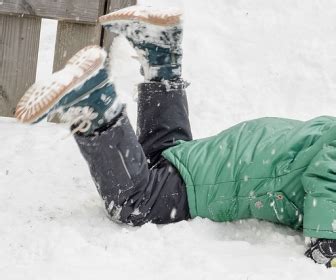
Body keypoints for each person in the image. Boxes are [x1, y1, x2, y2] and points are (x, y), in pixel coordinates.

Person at [15, 6, 336, 267]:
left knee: (165, 156)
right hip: (247, 170)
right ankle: (93, 103)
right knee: (134, 203)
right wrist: (326, 238)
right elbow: (326, 176)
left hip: (261, 150)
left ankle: (161, 53)